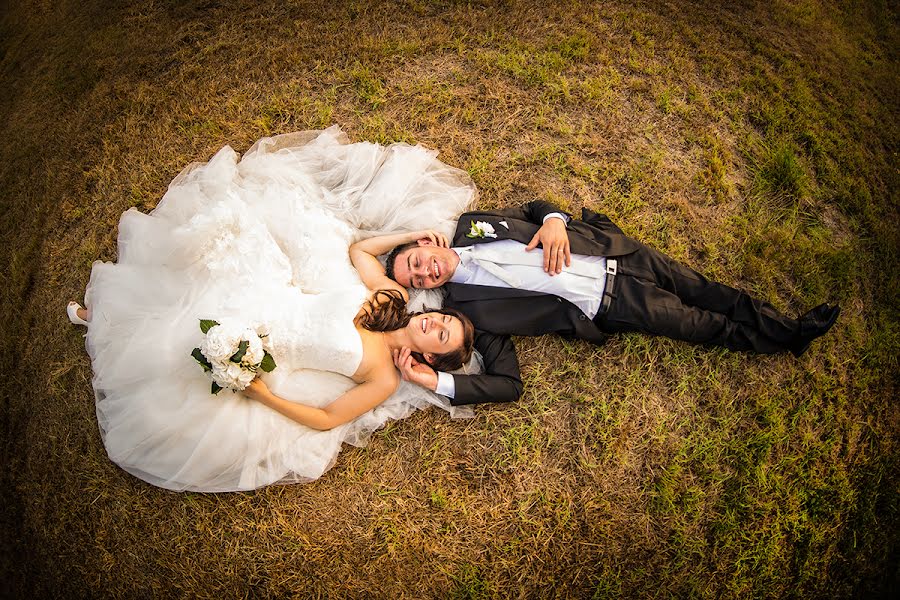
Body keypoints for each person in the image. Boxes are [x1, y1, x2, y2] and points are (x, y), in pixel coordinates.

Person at [65, 126, 479, 492]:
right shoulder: (393, 299)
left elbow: (326, 418)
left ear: (428, 356)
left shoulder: (384, 378)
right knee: (199, 266)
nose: (433, 320)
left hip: (266, 347)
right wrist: (410, 235)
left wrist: (263, 397)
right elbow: (360, 251)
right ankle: (103, 313)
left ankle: (104, 322)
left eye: (440, 333)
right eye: (442, 317)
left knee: (175, 347)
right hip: (270, 294)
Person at [369, 200, 841, 406]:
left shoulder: (472, 225)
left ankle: (783, 325)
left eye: (417, 259)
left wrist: (554, 220)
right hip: (609, 301)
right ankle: (789, 338)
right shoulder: (468, 312)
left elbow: (534, 207)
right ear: (419, 288)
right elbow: (507, 383)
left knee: (711, 291)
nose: (426, 269)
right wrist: (436, 380)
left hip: (616, 250)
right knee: (701, 324)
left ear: (426, 244)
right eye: (415, 277)